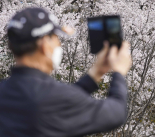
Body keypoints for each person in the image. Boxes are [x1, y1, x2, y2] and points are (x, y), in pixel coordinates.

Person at [0, 7, 132, 137]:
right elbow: (116, 112)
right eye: (57, 38)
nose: (59, 44)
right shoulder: (53, 98)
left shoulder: (5, 91)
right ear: (45, 45)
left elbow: (64, 101)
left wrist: (95, 74)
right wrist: (119, 71)